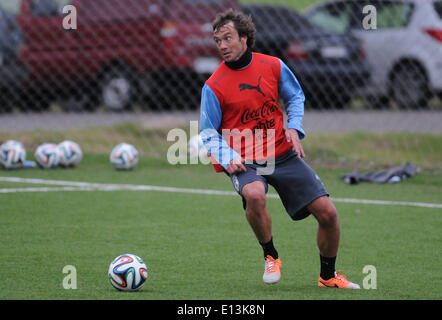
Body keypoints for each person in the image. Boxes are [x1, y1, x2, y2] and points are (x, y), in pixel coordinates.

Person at [199, 9, 359, 289]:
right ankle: (271, 256)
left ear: (245, 38)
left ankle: (328, 276)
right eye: (217, 41)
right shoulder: (213, 85)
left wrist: (293, 127)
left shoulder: (273, 66)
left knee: (329, 214)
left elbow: (295, 95)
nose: (222, 46)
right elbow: (208, 131)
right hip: (245, 160)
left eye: (228, 38)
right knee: (254, 194)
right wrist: (228, 157)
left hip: (282, 153)